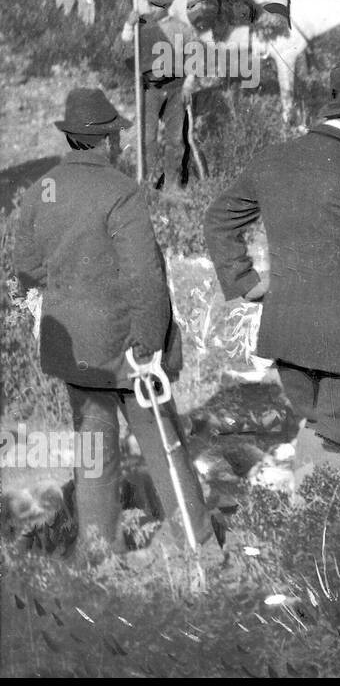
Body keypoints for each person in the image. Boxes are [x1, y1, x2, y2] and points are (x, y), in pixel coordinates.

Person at [13, 89, 209, 559]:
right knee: (162, 440)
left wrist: (67, 288)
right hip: (128, 346)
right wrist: (151, 344)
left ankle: (99, 546)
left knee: (93, 445)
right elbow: (145, 276)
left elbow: (26, 267)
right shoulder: (121, 191)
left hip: (76, 348)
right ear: (107, 140)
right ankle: (196, 539)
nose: (121, 143)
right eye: (117, 134)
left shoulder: (43, 188)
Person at [204, 65, 340, 486]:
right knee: (336, 433)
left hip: (289, 331)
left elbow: (218, 219)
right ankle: (319, 530)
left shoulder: (274, 159)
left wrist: (245, 282)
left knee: (320, 426)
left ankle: (318, 516)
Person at [117, 0, 194, 192]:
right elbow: (119, 53)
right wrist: (127, 26)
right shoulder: (140, 26)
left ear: (165, 7)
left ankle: (171, 184)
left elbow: (194, 59)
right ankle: (148, 181)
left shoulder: (182, 29)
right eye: (149, 5)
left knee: (175, 139)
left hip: (176, 90)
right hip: (150, 89)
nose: (149, 9)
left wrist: (188, 84)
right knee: (148, 138)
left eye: (154, 6)